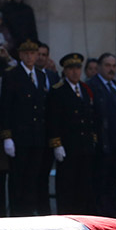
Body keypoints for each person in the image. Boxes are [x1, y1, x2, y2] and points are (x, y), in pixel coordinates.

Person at [0, 39, 50, 216]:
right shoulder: (12, 75)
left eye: (33, 53)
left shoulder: (41, 75)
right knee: (17, 179)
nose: (30, 56)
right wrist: (7, 136)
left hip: (36, 136)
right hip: (19, 136)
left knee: (33, 177)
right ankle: (17, 214)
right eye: (26, 53)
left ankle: (28, 212)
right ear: (20, 55)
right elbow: (5, 107)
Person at [47, 53, 99, 215]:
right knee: (67, 184)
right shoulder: (58, 91)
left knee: (84, 183)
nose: (75, 72)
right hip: (68, 145)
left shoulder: (84, 89)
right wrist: (57, 144)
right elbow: (53, 119)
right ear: (65, 71)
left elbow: (91, 116)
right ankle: (67, 214)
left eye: (78, 68)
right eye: (71, 69)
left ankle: (83, 214)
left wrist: (93, 139)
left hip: (84, 144)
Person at [88, 53, 116, 218]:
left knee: (113, 180)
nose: (111, 69)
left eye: (113, 66)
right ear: (99, 67)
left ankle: (112, 212)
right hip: (103, 142)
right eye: (107, 65)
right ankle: (103, 213)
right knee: (102, 180)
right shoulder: (93, 85)